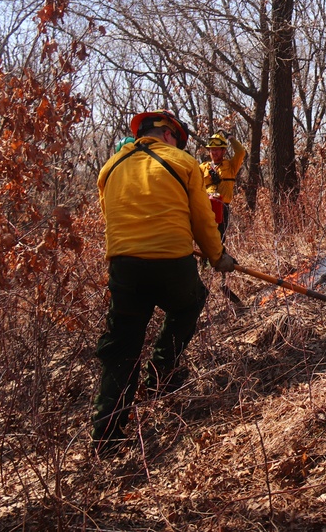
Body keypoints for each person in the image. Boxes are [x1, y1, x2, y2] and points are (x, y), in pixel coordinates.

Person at [91, 109, 236, 456]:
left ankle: (107, 436)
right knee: (190, 301)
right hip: (172, 261)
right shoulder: (182, 162)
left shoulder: (109, 168)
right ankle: (160, 375)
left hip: (124, 267)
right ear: (170, 134)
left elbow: (111, 215)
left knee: (122, 346)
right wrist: (217, 256)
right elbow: (203, 218)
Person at [200, 131, 246, 242]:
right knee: (204, 237)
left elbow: (240, 152)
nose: (213, 152)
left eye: (216, 149)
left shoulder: (230, 166)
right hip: (206, 206)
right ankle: (204, 259)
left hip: (222, 207)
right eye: (211, 150)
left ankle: (216, 258)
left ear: (223, 151)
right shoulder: (203, 167)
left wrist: (231, 138)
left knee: (219, 238)